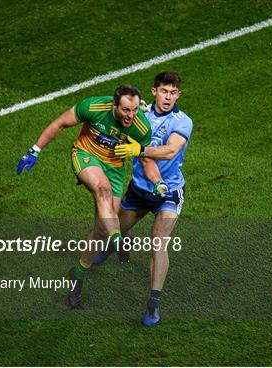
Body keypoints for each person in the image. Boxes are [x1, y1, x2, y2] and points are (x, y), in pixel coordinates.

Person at [16, 85, 153, 309]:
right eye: (126, 110)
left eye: (135, 110)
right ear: (115, 105)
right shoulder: (93, 106)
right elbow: (60, 123)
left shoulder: (141, 127)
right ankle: (118, 240)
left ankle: (77, 276)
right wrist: (35, 150)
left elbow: (146, 159)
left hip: (115, 169)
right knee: (102, 190)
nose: (130, 115)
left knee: (100, 230)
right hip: (85, 155)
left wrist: (154, 179)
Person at [94, 71, 193, 326]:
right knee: (112, 229)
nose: (168, 97)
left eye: (173, 92)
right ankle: (112, 246)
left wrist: (139, 149)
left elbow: (171, 150)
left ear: (178, 95)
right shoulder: (139, 118)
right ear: (154, 92)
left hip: (168, 192)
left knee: (159, 241)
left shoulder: (182, 122)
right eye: (164, 91)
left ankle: (153, 303)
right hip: (139, 189)